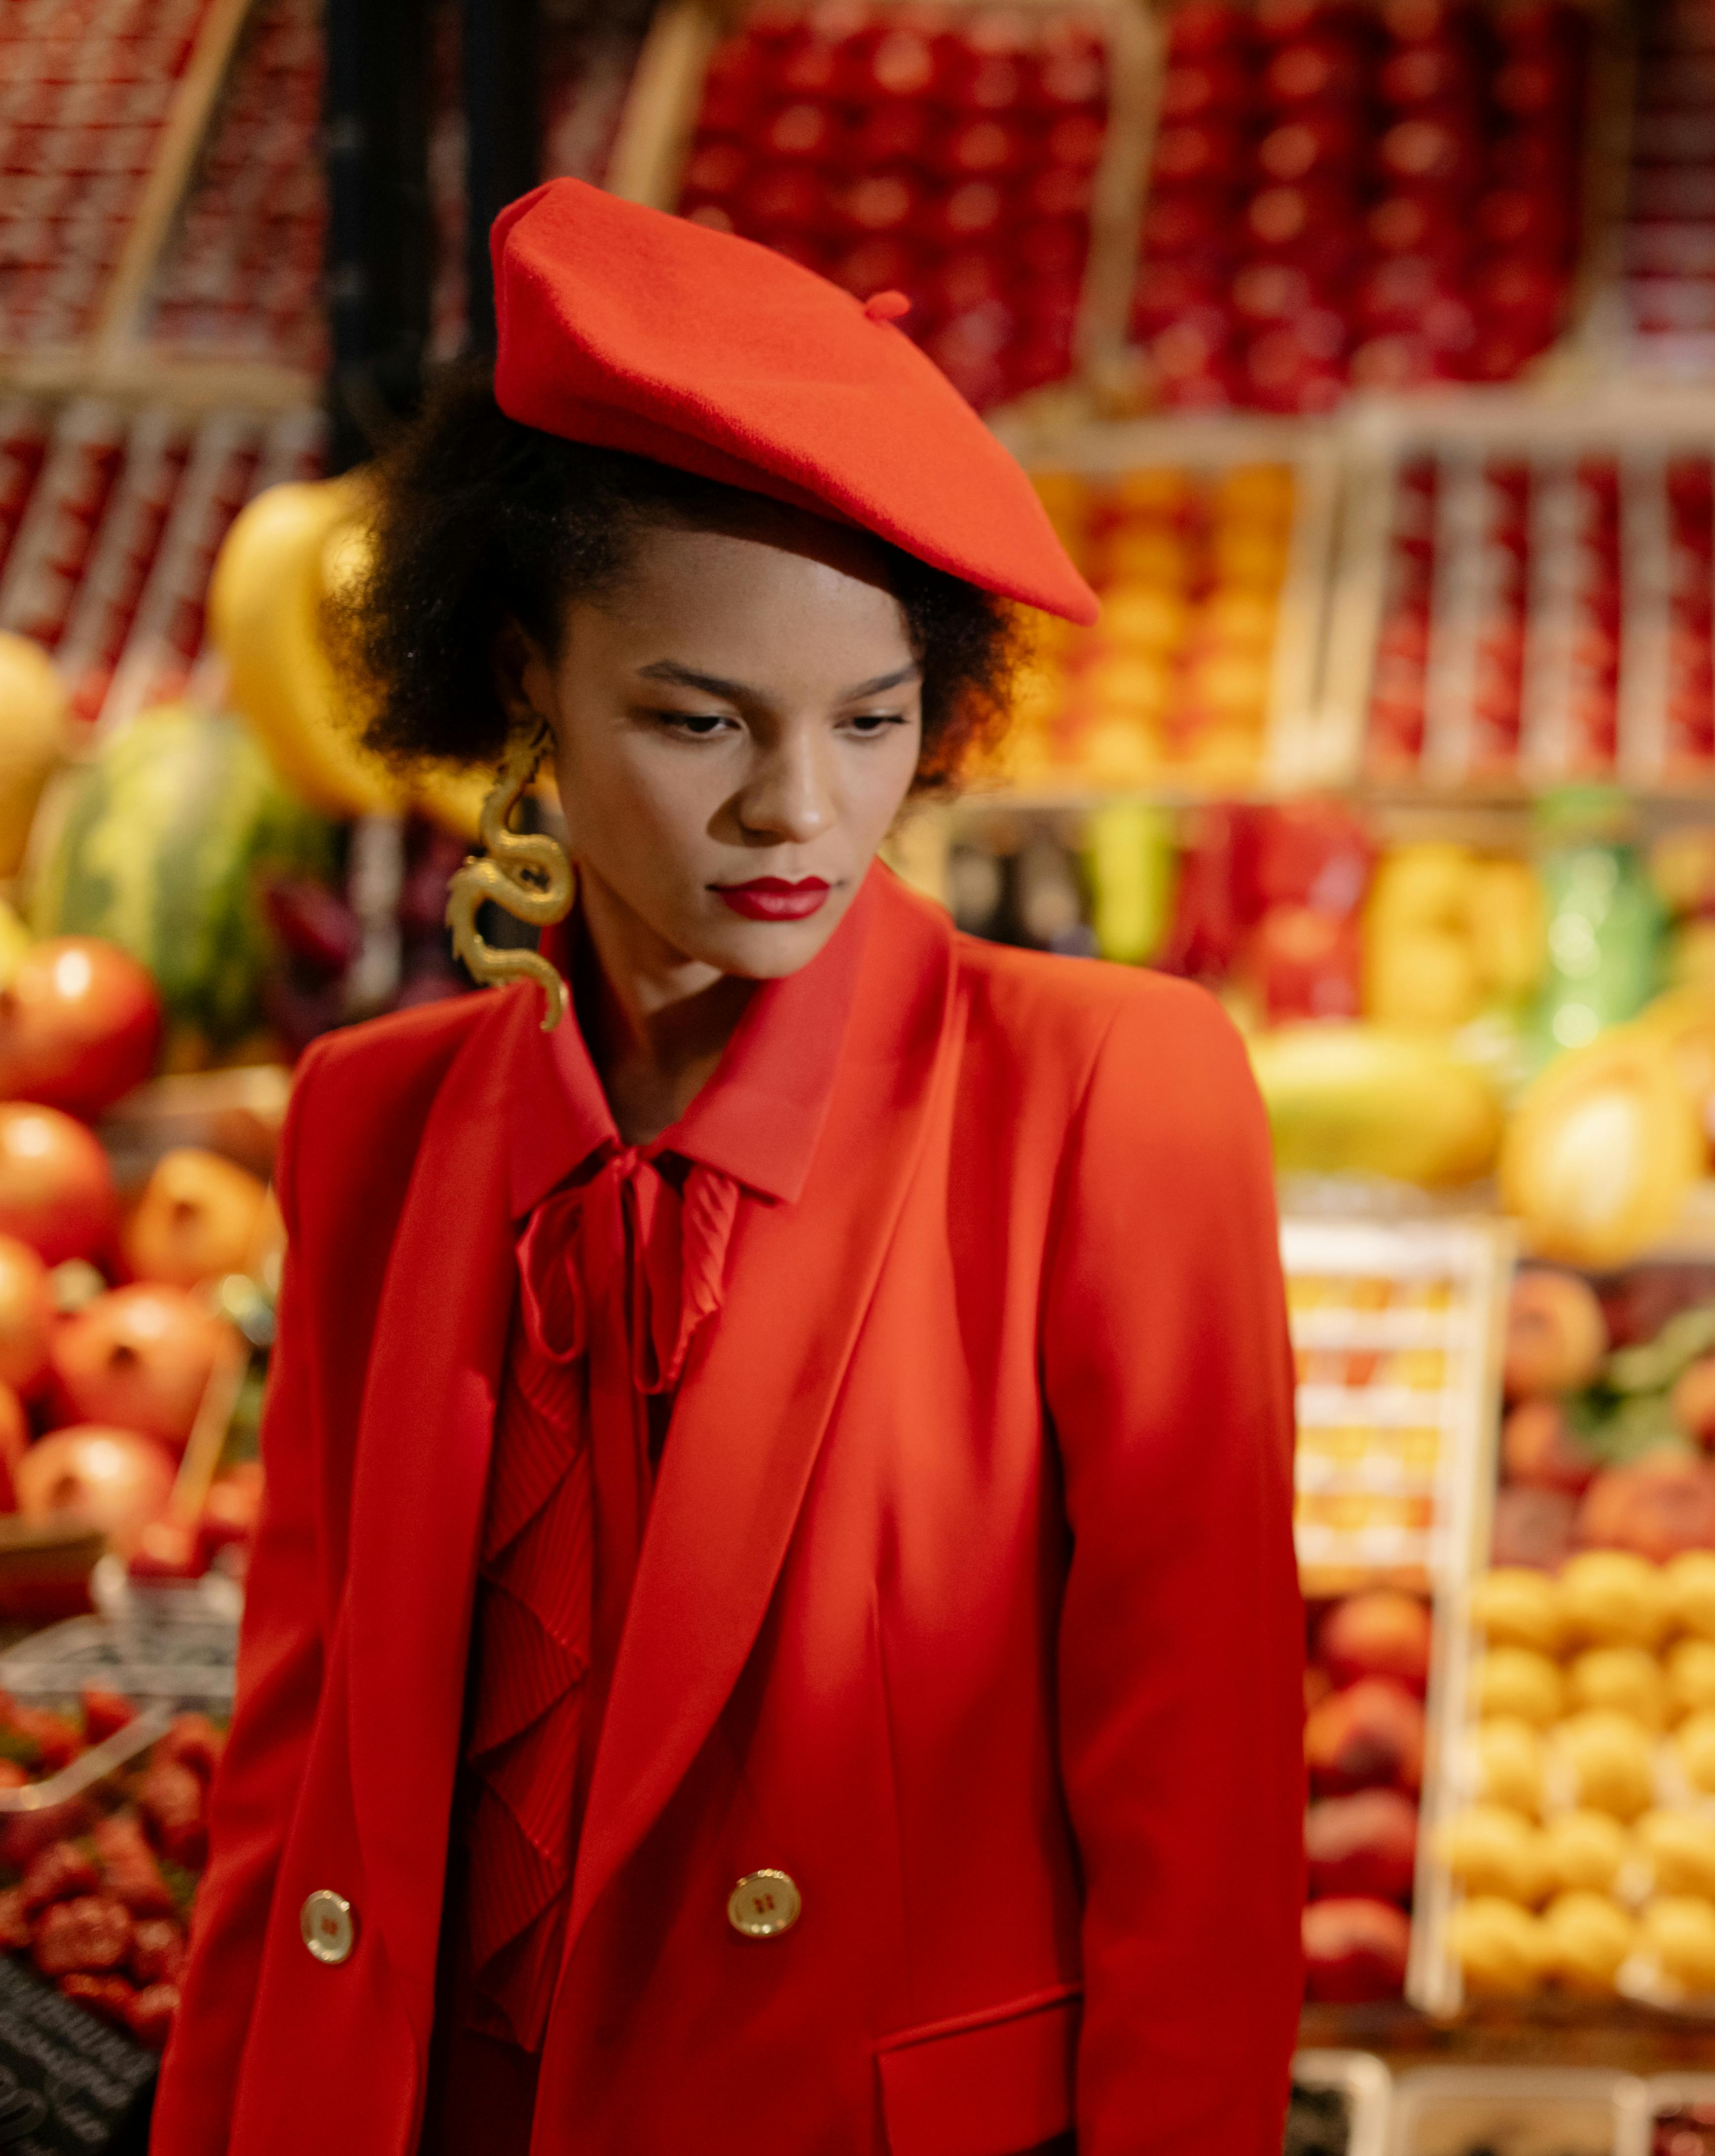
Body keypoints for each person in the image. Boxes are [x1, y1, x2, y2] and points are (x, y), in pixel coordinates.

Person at [157, 179, 1303, 2156]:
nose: (801, 808)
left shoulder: (1111, 1095)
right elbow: (293, 1799)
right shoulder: (375, 1122)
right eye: (698, 720)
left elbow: (1199, 1853)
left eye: (871, 722)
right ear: (523, 673)